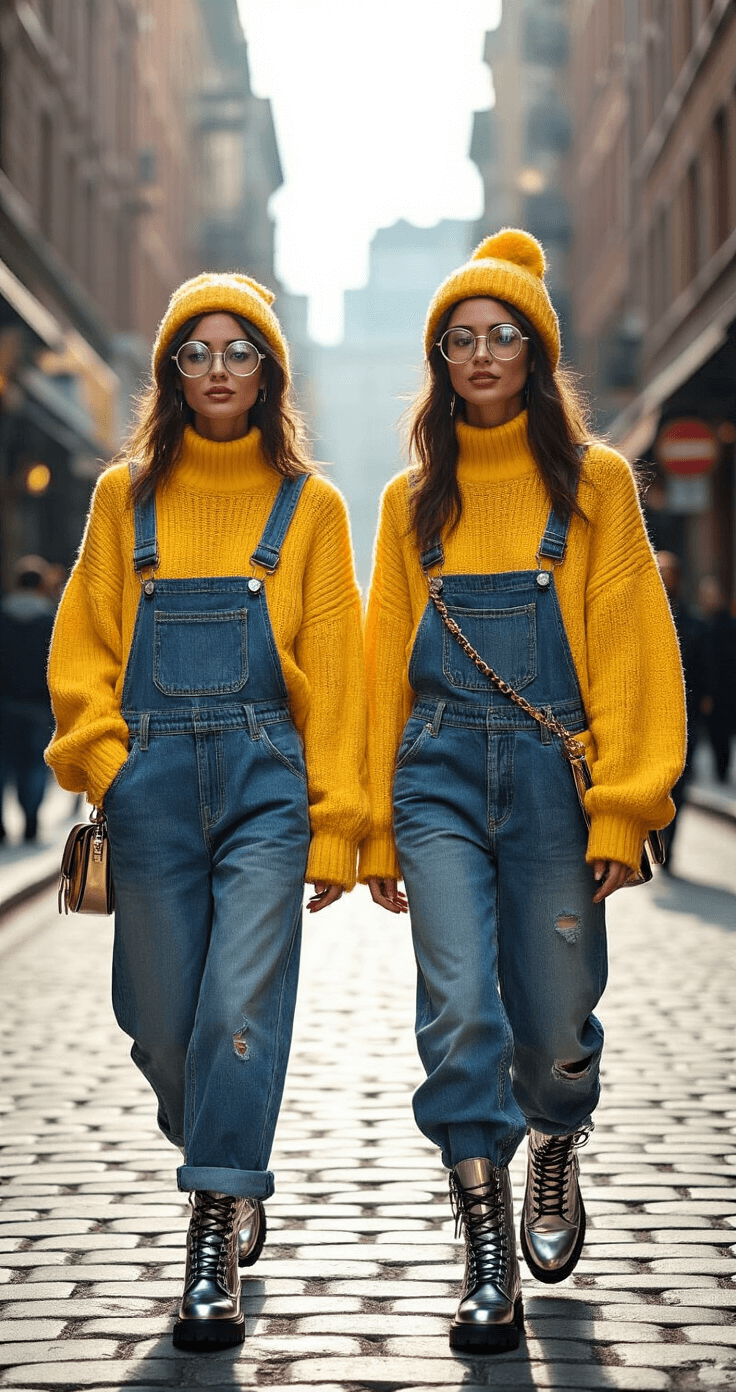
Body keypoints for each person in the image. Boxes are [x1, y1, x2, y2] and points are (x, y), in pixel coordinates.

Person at [360, 230, 685, 1354]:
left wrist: (626, 803)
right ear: (440, 361)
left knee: (553, 1026)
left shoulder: (593, 483)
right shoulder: (412, 503)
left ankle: (555, 1134)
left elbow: (636, 645)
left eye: (503, 336)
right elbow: (376, 663)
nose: (482, 354)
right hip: (436, 774)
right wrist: (366, 829)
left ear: (535, 356)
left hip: (557, 775)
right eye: (462, 340)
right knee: (458, 1010)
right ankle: (484, 1232)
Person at [46, 273, 369, 1351]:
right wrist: (104, 758)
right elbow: (84, 645)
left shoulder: (310, 507)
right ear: (171, 373)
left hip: (269, 782)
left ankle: (214, 1214)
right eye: (197, 352)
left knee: (241, 1002)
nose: (218, 370)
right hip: (149, 791)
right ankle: (218, 1148)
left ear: (267, 372)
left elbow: (335, 669)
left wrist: (337, 820)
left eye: (238, 352)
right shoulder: (120, 498)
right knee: (155, 1017)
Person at [655, 552, 706, 866]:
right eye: (659, 572)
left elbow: (706, 667)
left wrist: (704, 703)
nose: (664, 577)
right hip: (652, 717)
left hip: (686, 716)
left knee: (681, 783)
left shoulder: (694, 622)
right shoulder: (641, 617)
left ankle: (670, 846)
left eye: (668, 573)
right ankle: (657, 839)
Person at [0, 555, 55, 843]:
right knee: (33, 764)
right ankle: (31, 820)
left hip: (4, 704)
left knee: (2, 764)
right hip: (37, 706)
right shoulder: (50, 621)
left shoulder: (2, 616)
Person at [697, 575, 736, 784]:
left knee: (723, 734)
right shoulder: (702, 624)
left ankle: (722, 772)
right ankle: (720, 772)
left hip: (727, 690)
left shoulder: (728, 625)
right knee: (715, 734)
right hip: (712, 690)